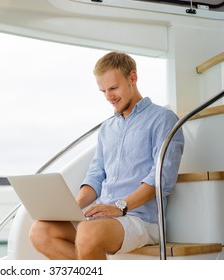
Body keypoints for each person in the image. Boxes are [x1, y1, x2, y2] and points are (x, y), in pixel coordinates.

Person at [29, 51, 184, 260]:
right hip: (102, 215)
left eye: (113, 88)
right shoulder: (107, 128)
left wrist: (119, 207)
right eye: (103, 91)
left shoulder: (163, 119)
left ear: (132, 78)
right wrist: (72, 208)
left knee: (87, 232)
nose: (109, 97)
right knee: (40, 231)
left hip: (140, 219)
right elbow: (95, 176)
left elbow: (160, 179)